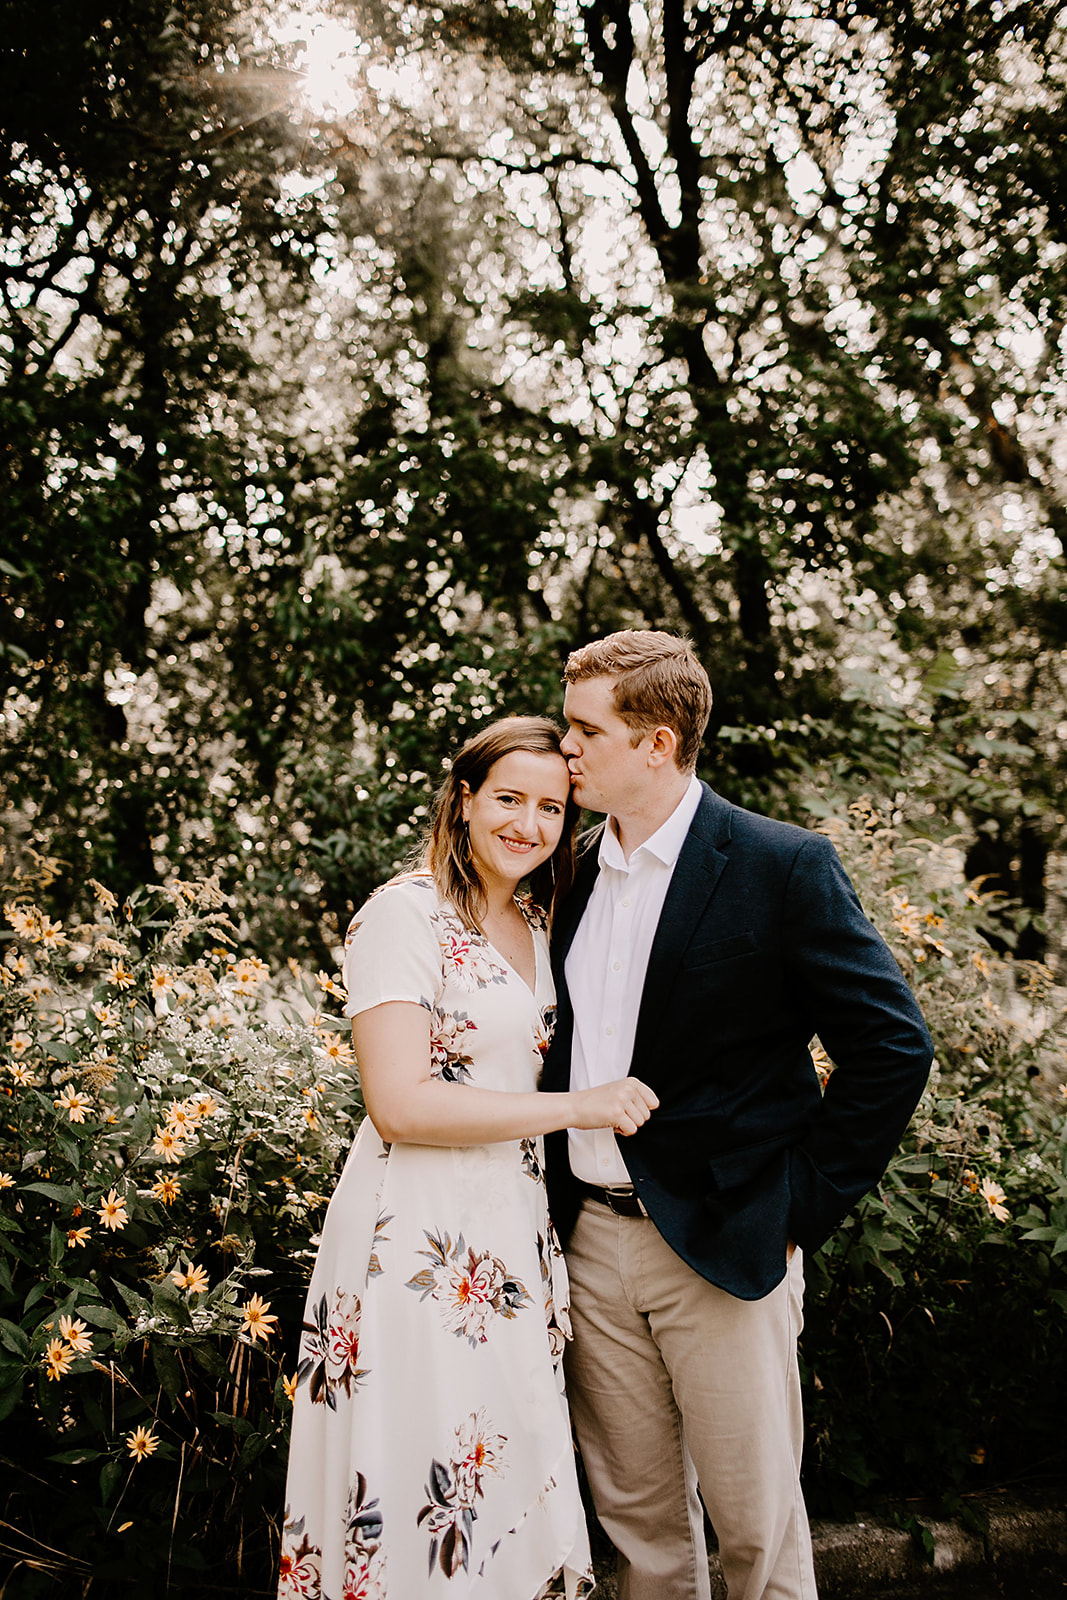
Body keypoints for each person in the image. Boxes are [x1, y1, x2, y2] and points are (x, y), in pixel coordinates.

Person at [540, 632, 934, 1600]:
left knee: (754, 1526)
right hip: (586, 1238)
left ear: (657, 742)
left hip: (724, 1240)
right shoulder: (564, 872)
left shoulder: (778, 864)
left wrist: (794, 1208)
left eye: (585, 730)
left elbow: (891, 1047)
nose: (564, 750)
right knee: (637, 1532)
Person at [279, 715, 658, 1600]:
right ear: (463, 799)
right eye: (508, 799)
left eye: (552, 808)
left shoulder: (540, 918)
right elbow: (400, 1103)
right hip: (413, 1236)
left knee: (503, 1454)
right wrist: (580, 1107)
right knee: (421, 1463)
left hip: (512, 1229)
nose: (528, 824)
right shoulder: (402, 913)